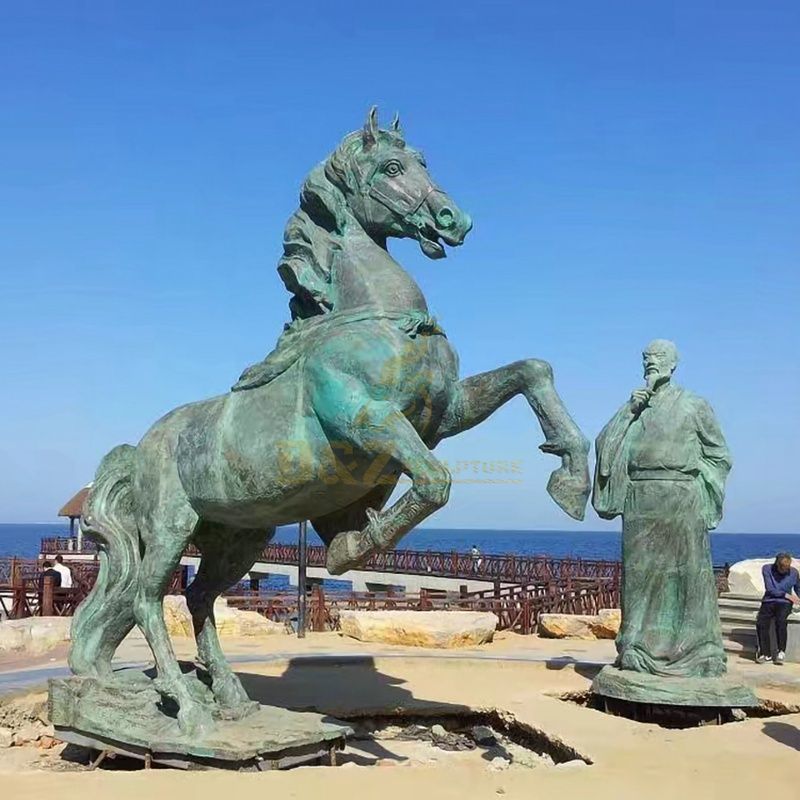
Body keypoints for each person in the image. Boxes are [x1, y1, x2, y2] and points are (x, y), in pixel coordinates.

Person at [593, 340, 731, 678]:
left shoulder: (694, 405)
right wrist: (628, 411)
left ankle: (699, 653)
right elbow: (603, 445)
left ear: (671, 363)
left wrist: (701, 489)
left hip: (682, 498)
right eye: (645, 358)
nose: (649, 362)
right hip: (640, 499)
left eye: (655, 357)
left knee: (689, 577)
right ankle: (635, 648)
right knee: (639, 577)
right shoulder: (635, 407)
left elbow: (720, 454)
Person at [755, 553, 800, 665]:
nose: (785, 571)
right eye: (783, 568)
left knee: (781, 621)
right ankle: (766, 654)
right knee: (761, 623)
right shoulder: (767, 569)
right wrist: (787, 595)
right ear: (777, 565)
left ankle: (781, 651)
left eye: (787, 568)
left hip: (784, 603)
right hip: (769, 600)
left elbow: (798, 588)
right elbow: (770, 589)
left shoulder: (794, 572)